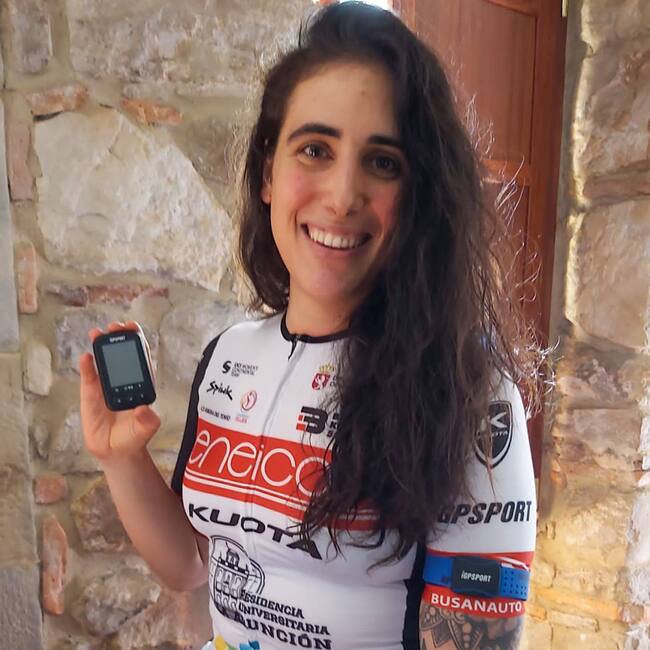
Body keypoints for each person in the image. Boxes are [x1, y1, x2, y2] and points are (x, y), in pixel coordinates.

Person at [79, 3, 539, 649]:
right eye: (316, 150)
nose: (343, 195)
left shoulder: (470, 393)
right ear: (269, 171)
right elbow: (190, 565)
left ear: (418, 195)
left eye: (383, 162)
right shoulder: (229, 355)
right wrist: (121, 458)